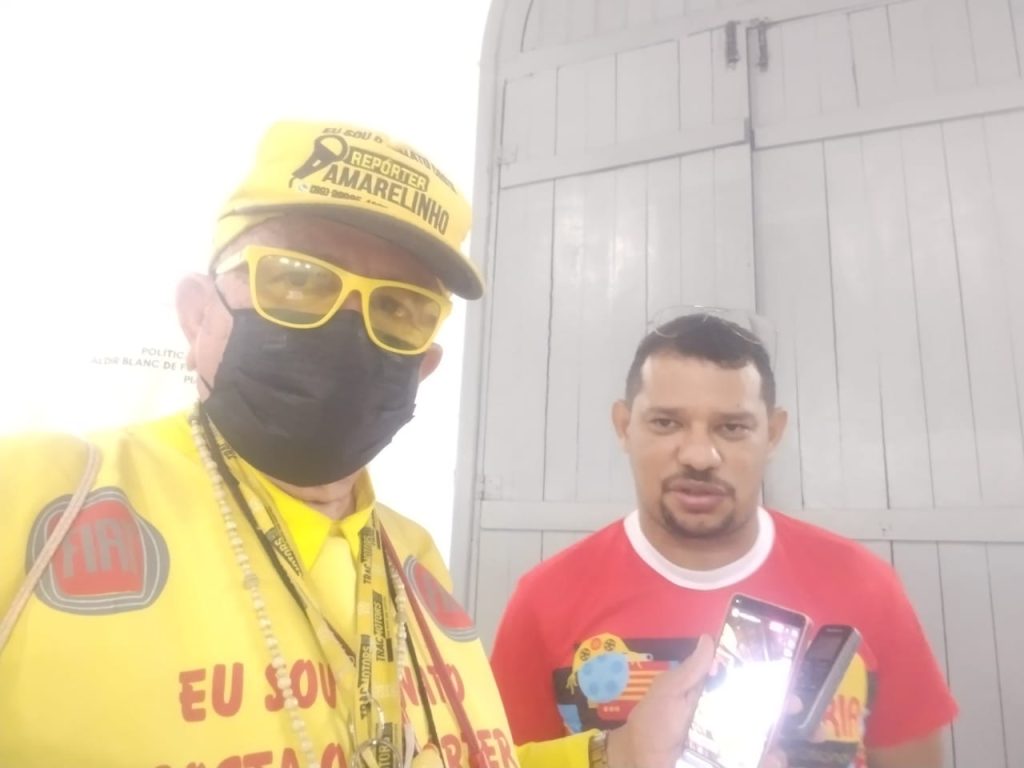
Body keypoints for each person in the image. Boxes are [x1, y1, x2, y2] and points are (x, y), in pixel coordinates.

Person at [0, 121, 749, 768]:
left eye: (397, 307)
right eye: (297, 281)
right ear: (199, 314)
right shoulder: (38, 498)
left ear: (423, 365)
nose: (347, 326)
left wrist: (617, 752)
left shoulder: (411, 557)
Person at [490, 313, 958, 768]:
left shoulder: (868, 586)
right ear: (623, 426)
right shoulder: (543, 600)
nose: (700, 455)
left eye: (732, 427)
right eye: (666, 422)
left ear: (772, 434)